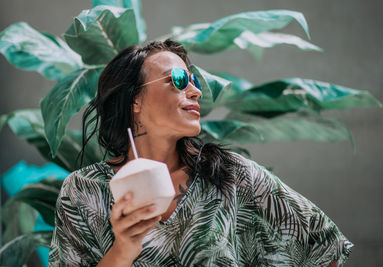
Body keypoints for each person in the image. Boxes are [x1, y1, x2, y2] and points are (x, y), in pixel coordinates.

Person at [48, 39, 353, 267]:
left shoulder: (230, 175)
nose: (195, 91)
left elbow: (324, 244)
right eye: (178, 80)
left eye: (192, 81)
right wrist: (123, 249)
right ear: (135, 100)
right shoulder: (83, 191)